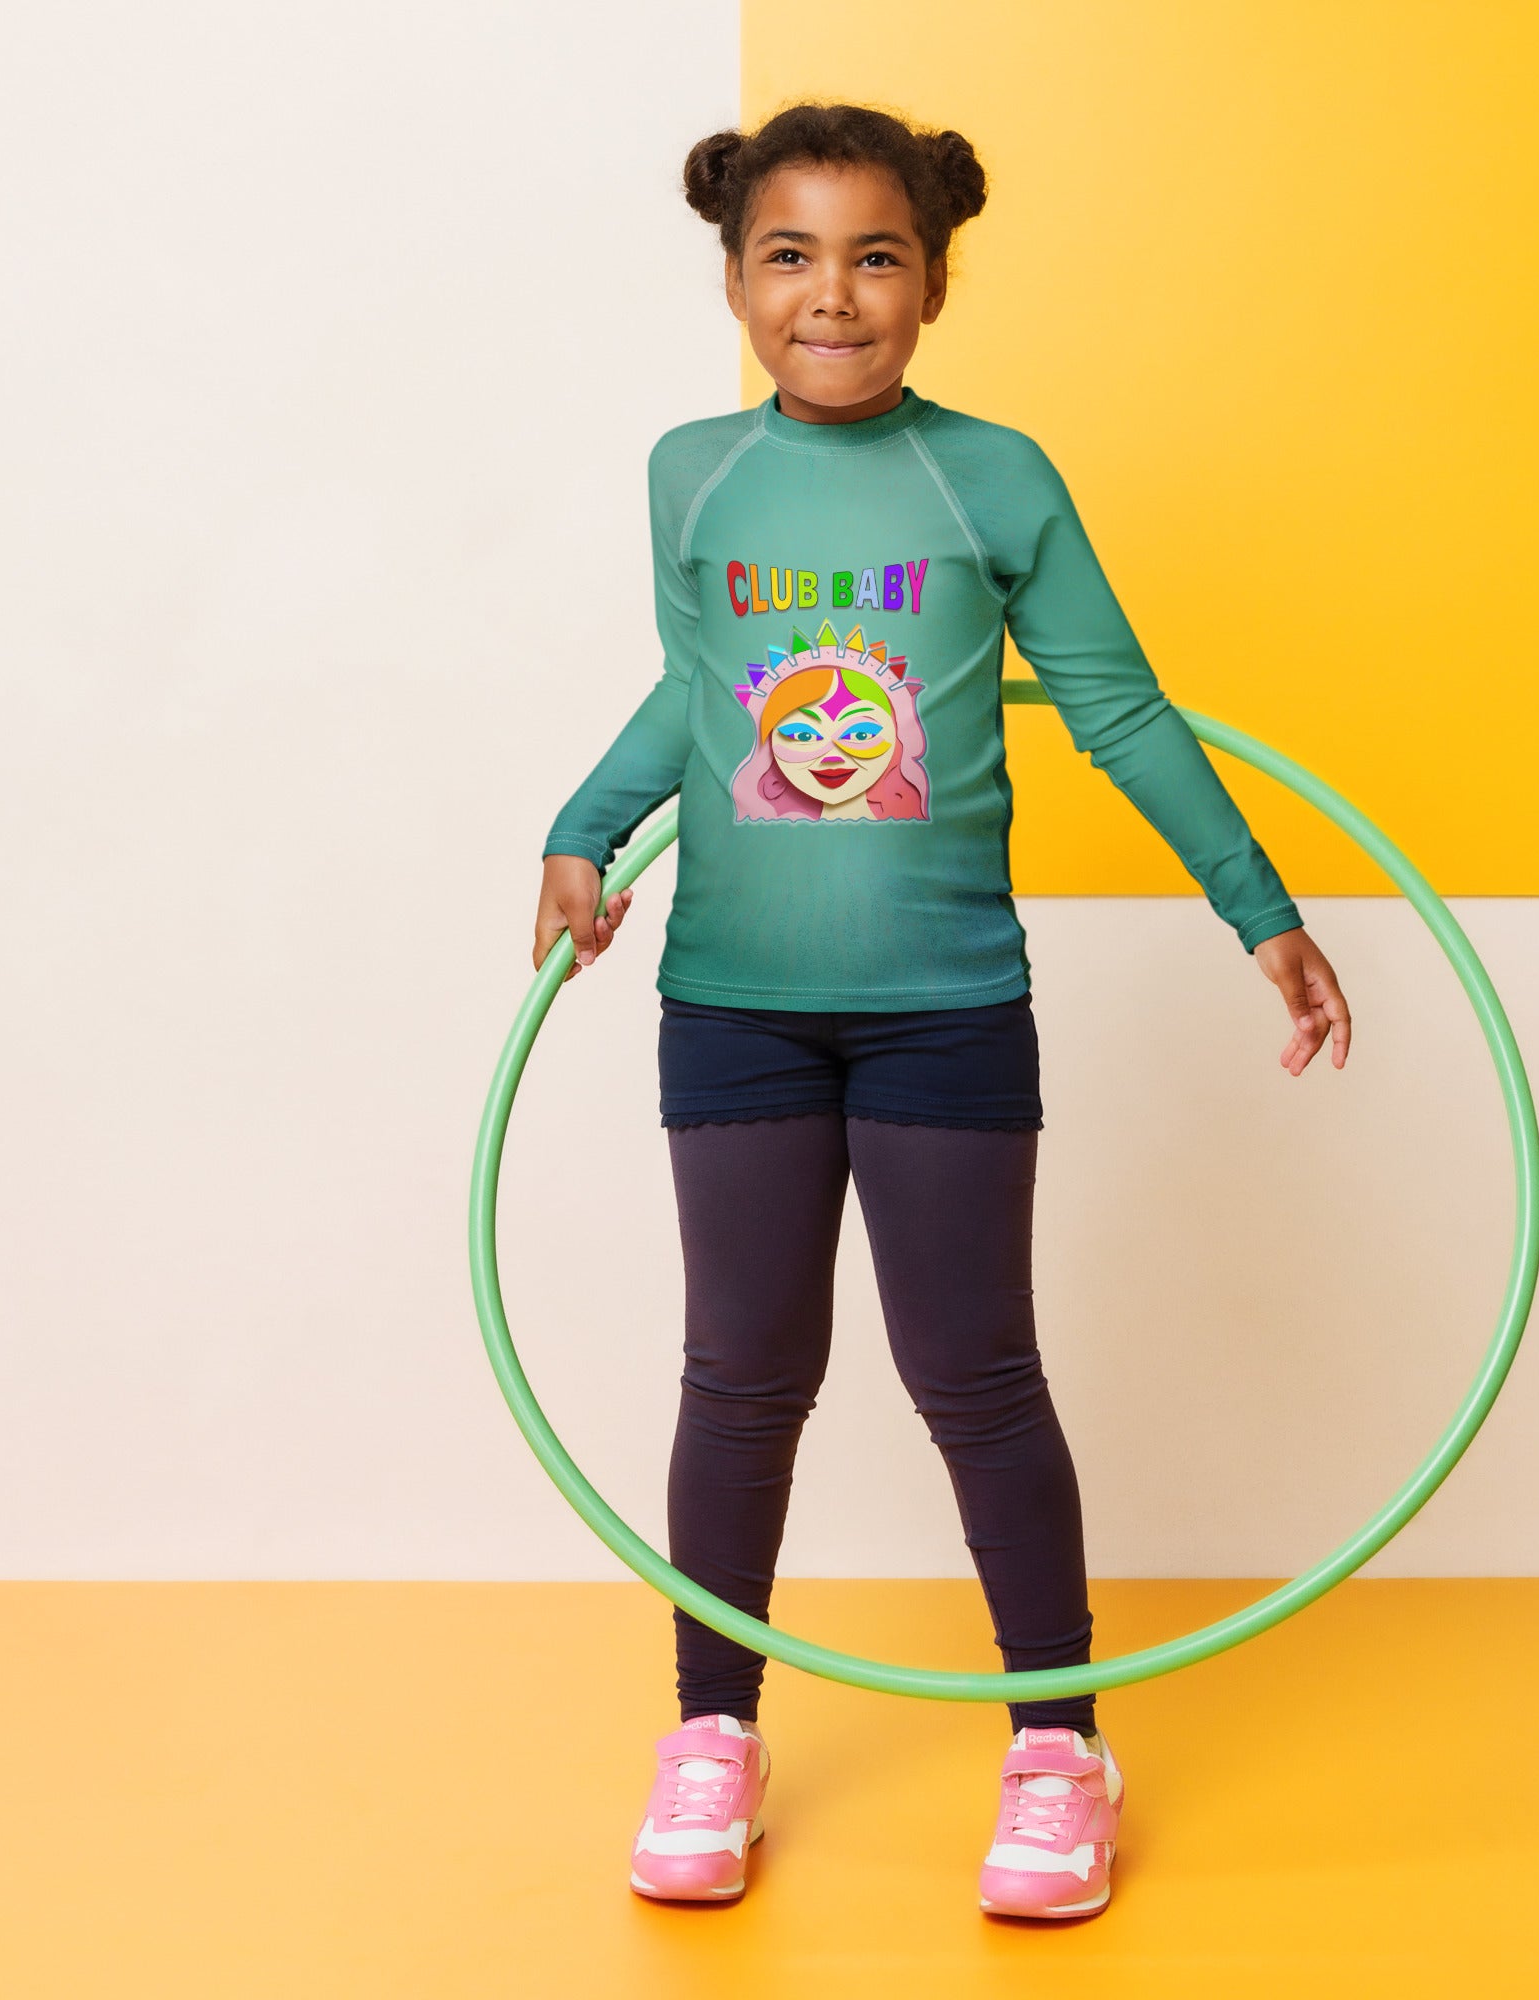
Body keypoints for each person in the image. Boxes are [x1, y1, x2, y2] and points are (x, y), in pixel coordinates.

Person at [533, 101, 1352, 1921]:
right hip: (733, 1005)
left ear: (934, 281)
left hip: (946, 1014)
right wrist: (583, 833)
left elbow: (1124, 711)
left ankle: (1057, 1745)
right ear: (738, 279)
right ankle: (711, 1732)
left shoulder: (996, 477)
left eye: (875, 256)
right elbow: (699, 696)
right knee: (742, 1379)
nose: (833, 295)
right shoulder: (693, 473)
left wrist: (1260, 913)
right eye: (791, 256)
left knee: (973, 1375)